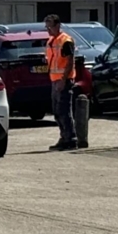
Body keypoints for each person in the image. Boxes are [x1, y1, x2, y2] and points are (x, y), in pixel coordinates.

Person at [45, 14, 77, 150]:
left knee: (64, 111)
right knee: (57, 112)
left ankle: (70, 139)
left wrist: (63, 80)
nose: (48, 30)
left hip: (63, 80)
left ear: (57, 26)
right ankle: (64, 137)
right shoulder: (52, 40)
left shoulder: (65, 41)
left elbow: (70, 61)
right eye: (46, 27)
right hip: (55, 80)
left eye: (50, 27)